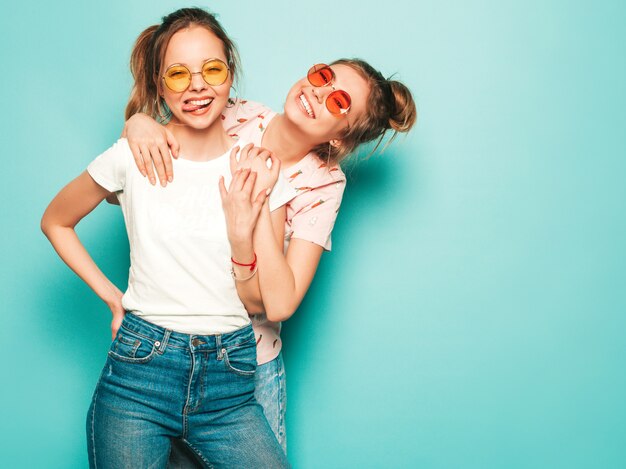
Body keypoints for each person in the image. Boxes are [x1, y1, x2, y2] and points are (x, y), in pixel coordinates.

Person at [124, 52, 418, 463]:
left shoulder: (323, 184)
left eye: (338, 102)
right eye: (323, 75)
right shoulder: (233, 115)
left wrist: (265, 194)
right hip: (172, 347)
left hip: (250, 364)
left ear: (340, 138)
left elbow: (279, 303)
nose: (319, 92)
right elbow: (147, 180)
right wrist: (138, 122)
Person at [40, 7, 291, 468]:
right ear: (159, 85)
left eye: (212, 69)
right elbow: (56, 221)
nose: (197, 86)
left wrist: (242, 234)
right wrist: (114, 300)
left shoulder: (258, 169)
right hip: (139, 375)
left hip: (230, 381)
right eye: (178, 75)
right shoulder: (131, 156)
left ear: (230, 75)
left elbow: (263, 304)